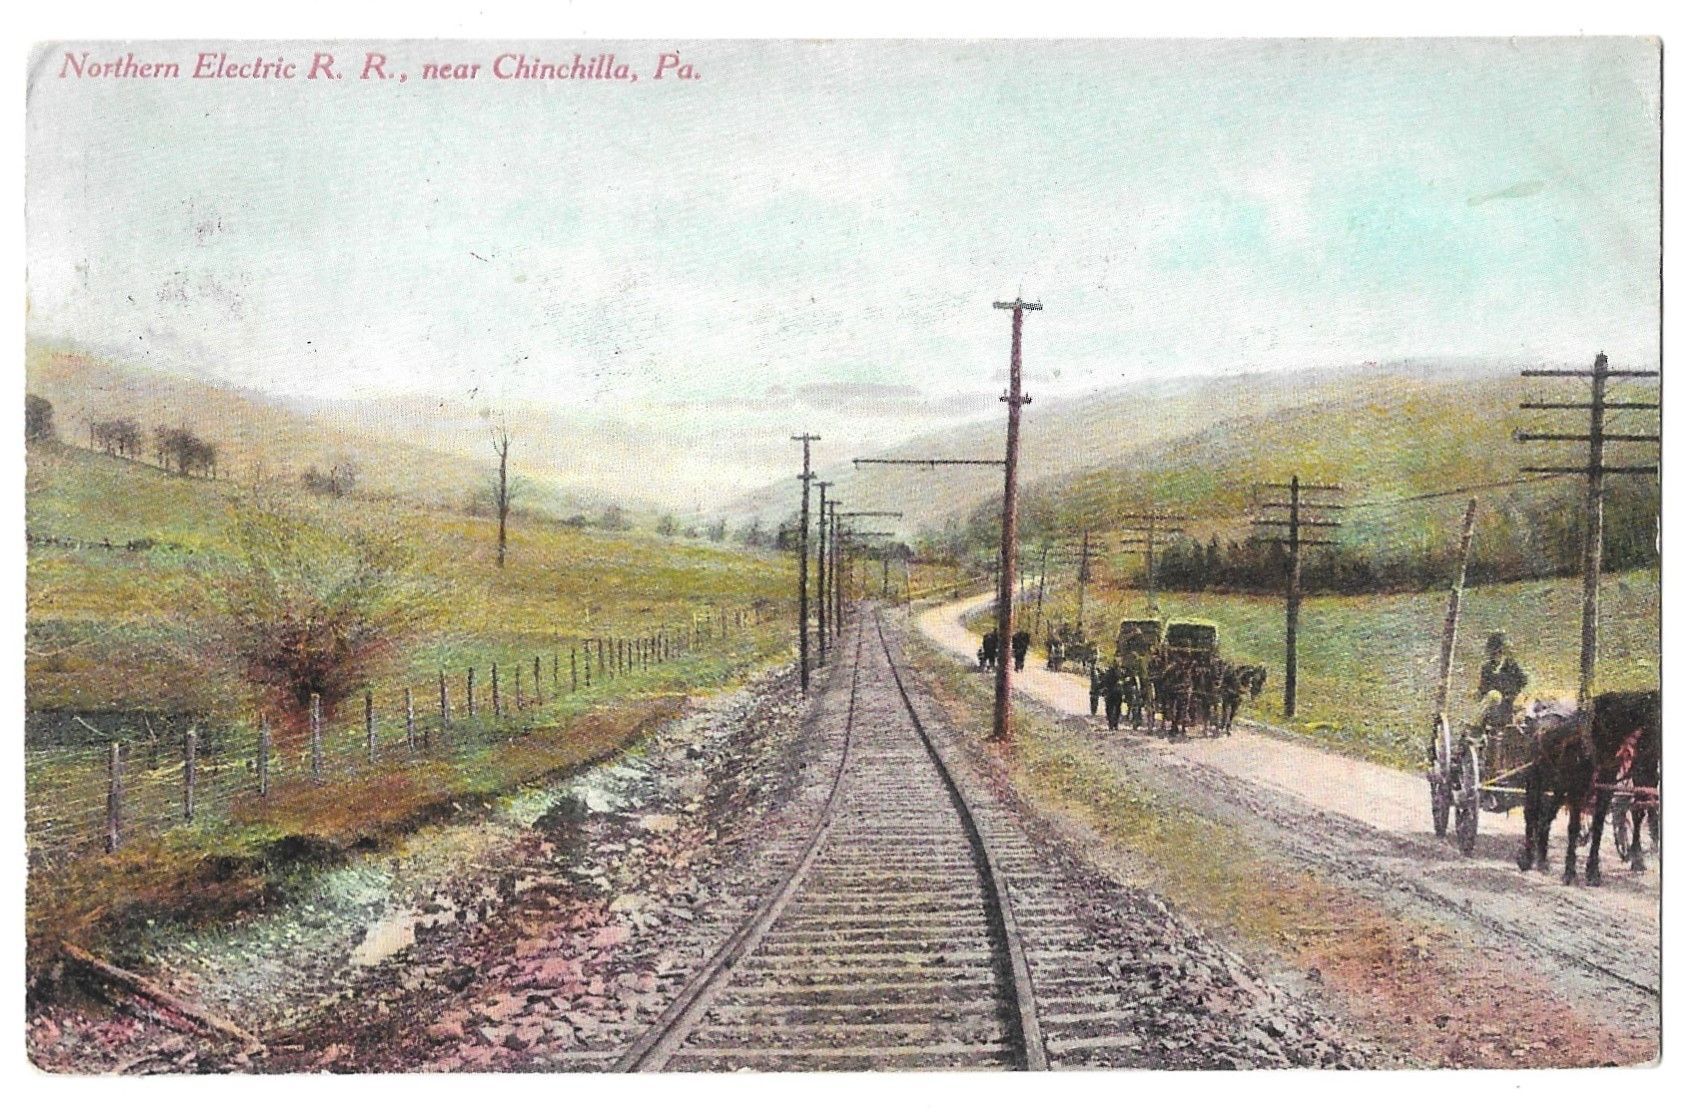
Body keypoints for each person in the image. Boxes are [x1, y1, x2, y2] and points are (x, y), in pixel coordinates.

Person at [1477, 632, 1527, 735]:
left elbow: (1523, 681)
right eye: (1495, 653)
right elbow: (1483, 687)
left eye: (1500, 652)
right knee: (1493, 699)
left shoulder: (1512, 666)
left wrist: (1515, 694)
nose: (1497, 655)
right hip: (1493, 703)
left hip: (1510, 700)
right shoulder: (1487, 668)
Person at [1100, 661, 1125, 730]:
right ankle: (1115, 724)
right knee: (1117, 708)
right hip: (1118, 693)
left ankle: (1111, 723)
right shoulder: (1121, 673)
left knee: (1109, 708)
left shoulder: (1109, 673)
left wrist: (1101, 689)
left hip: (1110, 693)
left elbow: (1104, 682)